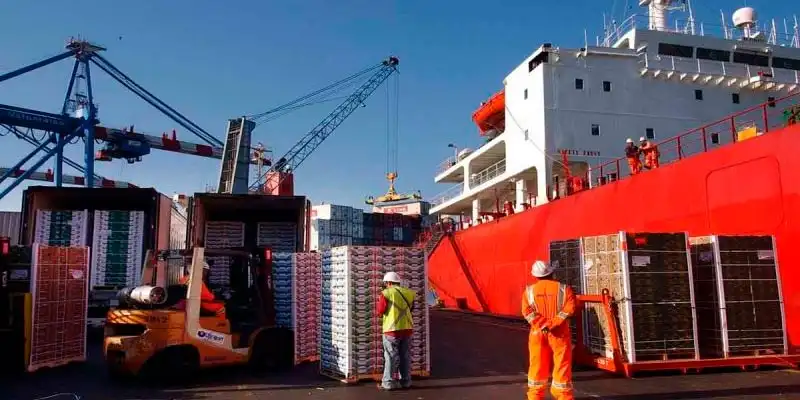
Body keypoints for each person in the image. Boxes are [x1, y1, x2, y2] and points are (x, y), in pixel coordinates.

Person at [522, 260, 577, 400]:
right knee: (562, 365)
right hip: (559, 333)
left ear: (535, 276)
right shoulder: (565, 289)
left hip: (537, 333)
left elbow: (527, 312)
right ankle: (563, 396)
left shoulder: (528, 291)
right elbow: (569, 309)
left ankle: (535, 396)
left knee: (537, 366)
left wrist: (543, 325)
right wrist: (553, 323)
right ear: (551, 273)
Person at [376, 271, 417, 391]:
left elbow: (380, 311)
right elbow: (411, 308)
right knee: (405, 356)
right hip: (407, 329)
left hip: (392, 330)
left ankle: (388, 383)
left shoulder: (386, 293)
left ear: (388, 282)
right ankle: (406, 382)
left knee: (390, 356)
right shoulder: (409, 293)